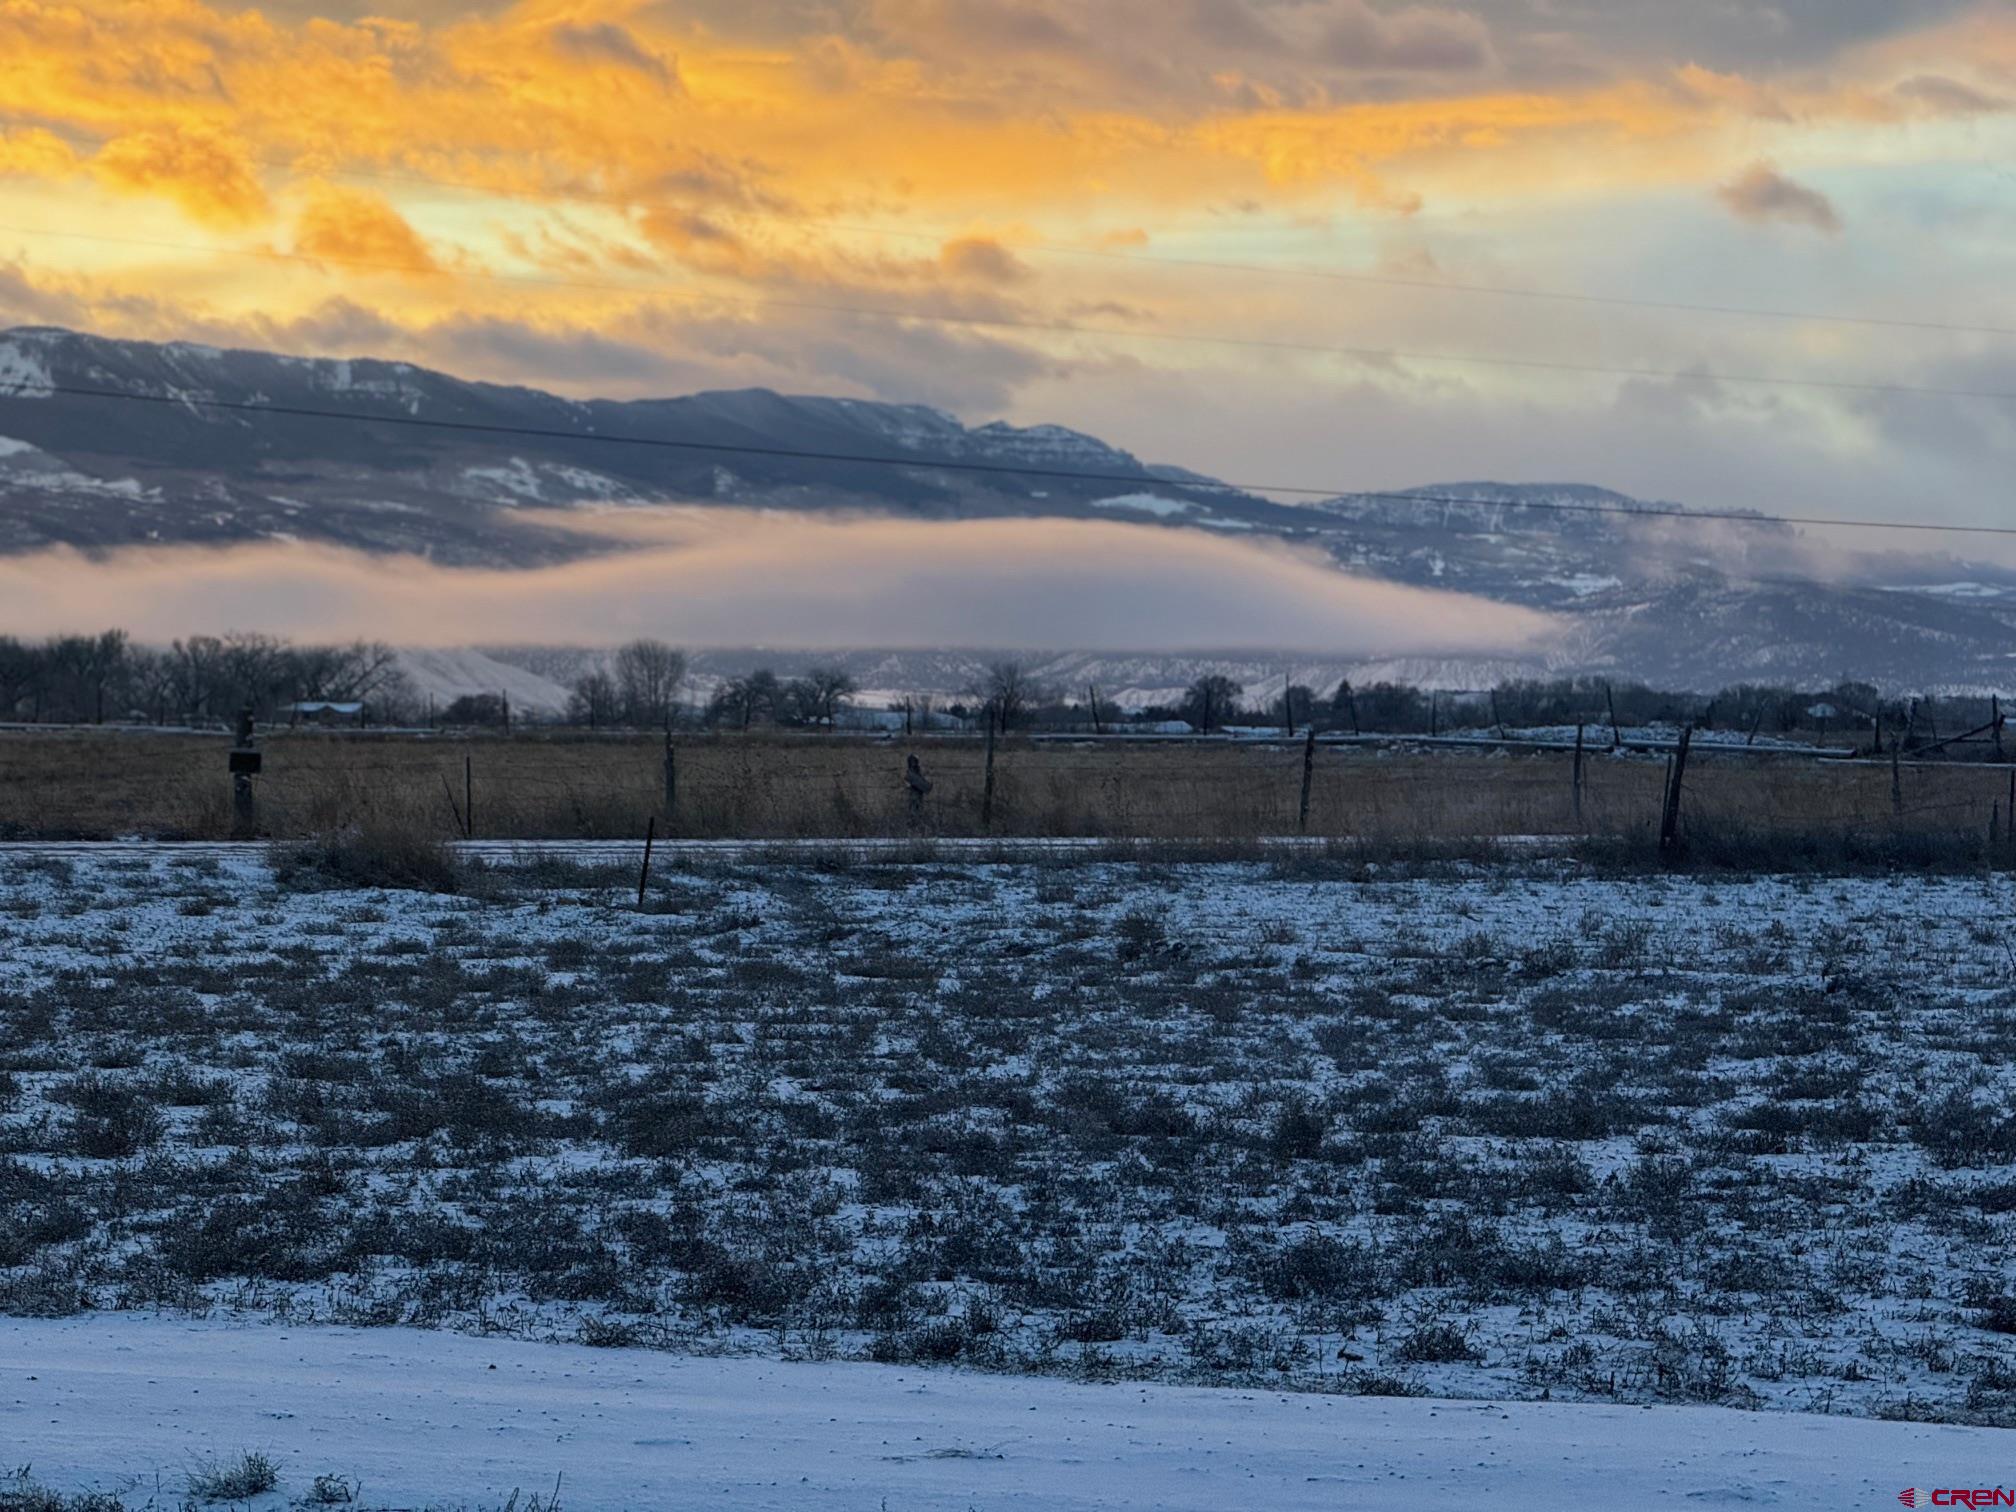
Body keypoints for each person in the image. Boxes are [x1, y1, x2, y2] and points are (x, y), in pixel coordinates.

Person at [904, 753, 932, 828]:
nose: (913, 763)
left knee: (917, 809)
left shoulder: (915, 771)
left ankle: (916, 824)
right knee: (914, 810)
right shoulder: (911, 772)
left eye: (914, 761)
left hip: (917, 794)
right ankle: (914, 824)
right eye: (912, 762)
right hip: (914, 794)